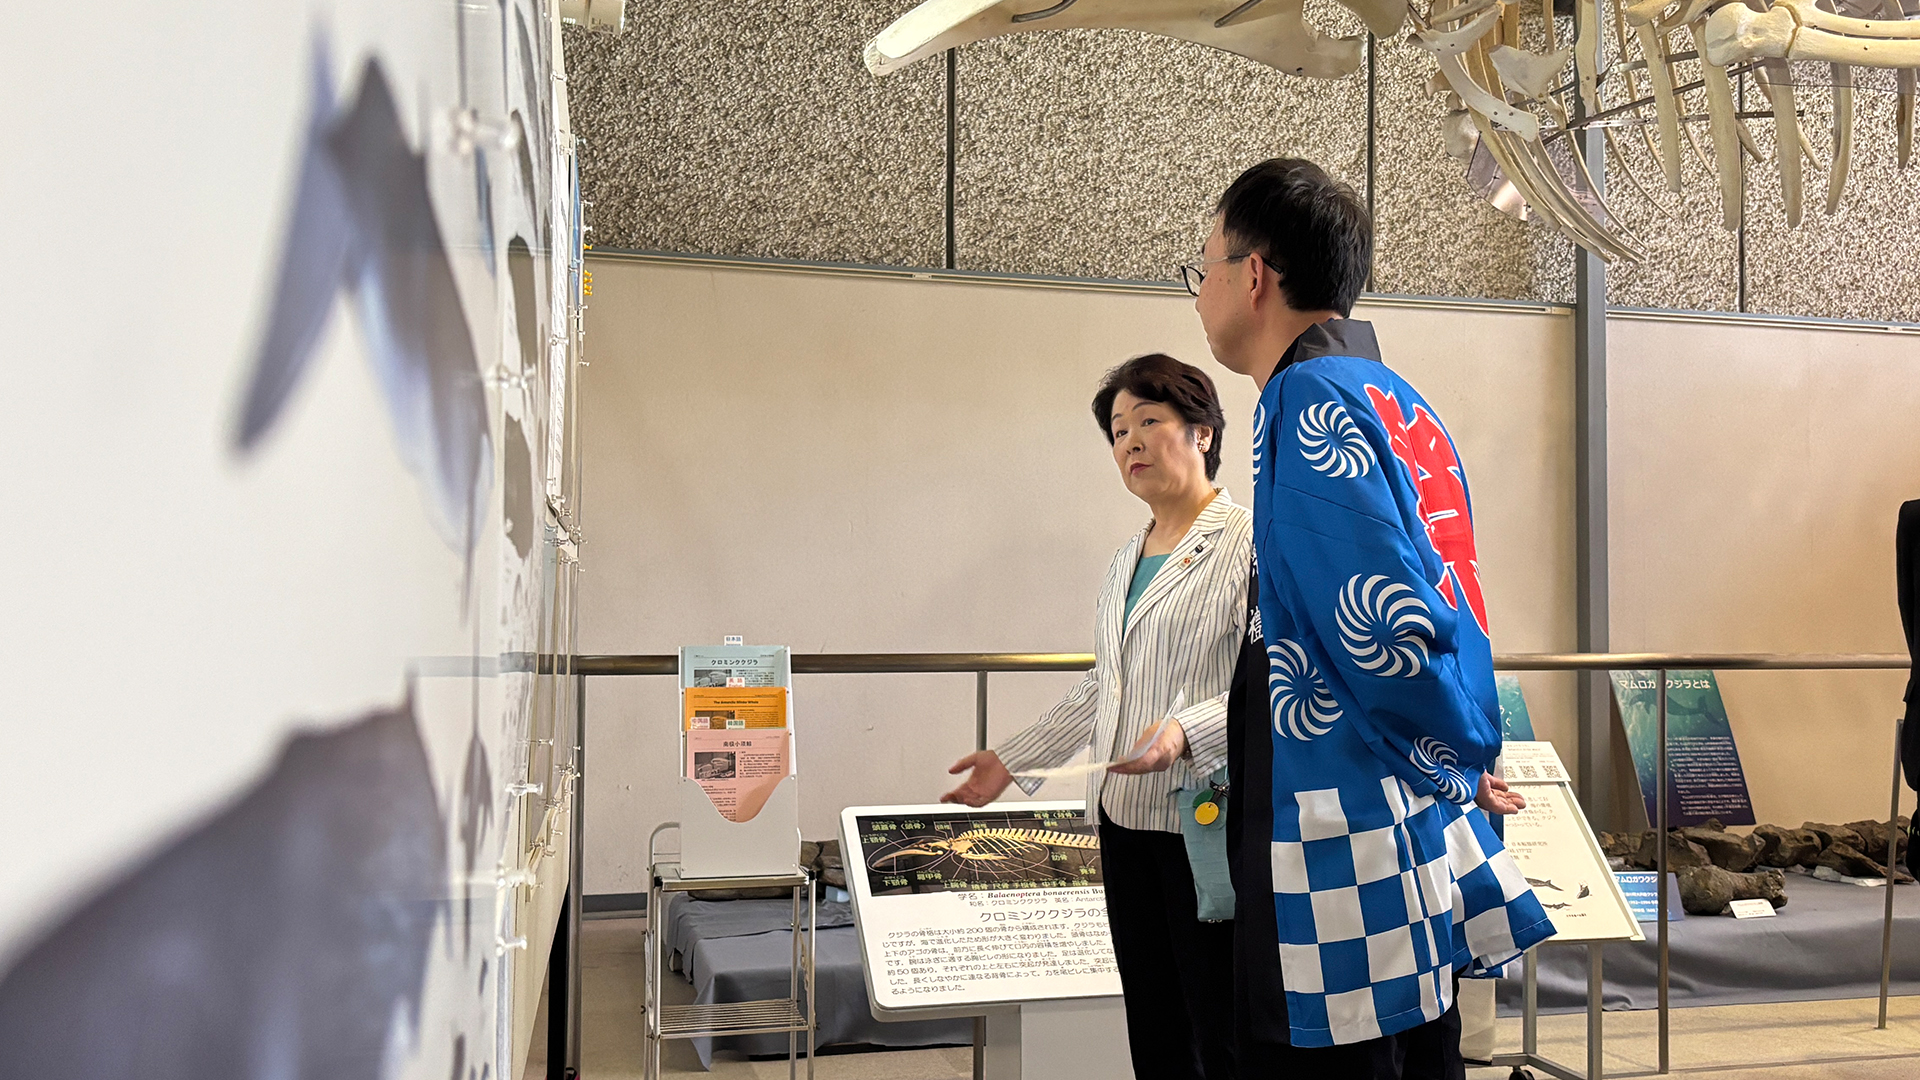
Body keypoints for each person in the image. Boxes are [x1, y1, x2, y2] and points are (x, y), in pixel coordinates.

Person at [1183, 158, 1551, 1077]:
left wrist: (1448, 751)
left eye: (1203, 268)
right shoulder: (1397, 394)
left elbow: (1375, 626)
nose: (1200, 293)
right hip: (1402, 784)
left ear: (1254, 273)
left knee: (1346, 1047)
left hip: (1341, 789)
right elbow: (1451, 595)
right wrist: (1466, 754)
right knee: (1411, 1038)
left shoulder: (1309, 401)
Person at [942, 353, 1252, 1080]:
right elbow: (1101, 687)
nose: (1132, 443)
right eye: (1118, 431)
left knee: (1219, 1025)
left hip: (1202, 823)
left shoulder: (1248, 543)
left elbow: (1269, 683)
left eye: (1150, 420)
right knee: (1153, 1020)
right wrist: (1014, 758)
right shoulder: (1124, 559)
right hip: (1119, 822)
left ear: (1202, 431)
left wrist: (1187, 732)